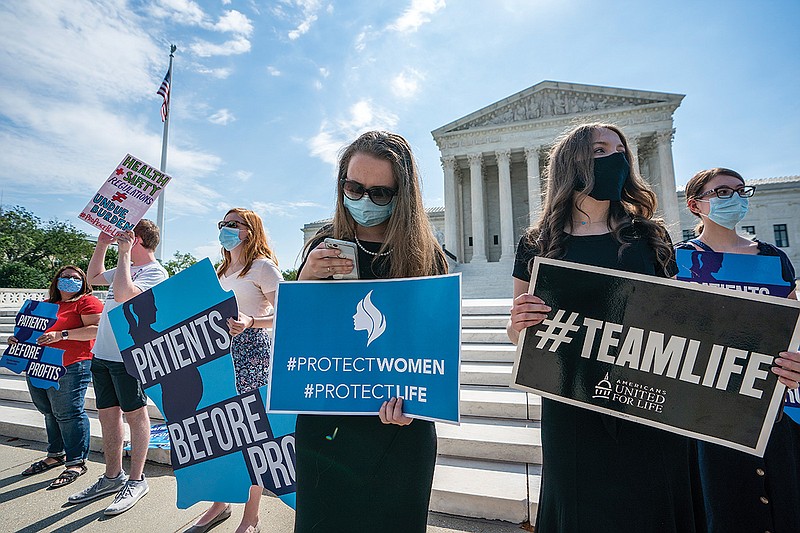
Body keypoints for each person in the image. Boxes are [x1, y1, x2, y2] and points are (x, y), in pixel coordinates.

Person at [507, 123, 705, 531]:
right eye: (600, 150)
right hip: (571, 400)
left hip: (646, 396)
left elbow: (678, 318)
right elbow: (518, 332)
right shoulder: (537, 244)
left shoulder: (649, 236)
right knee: (581, 505)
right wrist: (520, 324)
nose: (615, 158)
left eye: (620, 150)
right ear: (572, 162)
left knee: (654, 500)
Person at [293, 130, 447, 532]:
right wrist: (305, 282)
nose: (364, 200)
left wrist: (418, 405)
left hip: (399, 430)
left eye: (380, 193)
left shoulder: (426, 257)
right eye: (354, 187)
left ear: (402, 195)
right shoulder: (324, 247)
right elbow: (299, 339)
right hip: (328, 423)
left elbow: (433, 349)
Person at [677, 167, 800, 532]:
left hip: (776, 399)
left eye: (739, 191)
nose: (735, 199)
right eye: (722, 193)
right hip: (711, 405)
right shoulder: (680, 259)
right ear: (695, 205)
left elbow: (793, 326)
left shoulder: (773, 258)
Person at [185, 208, 283, 533]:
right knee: (224, 432)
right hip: (220, 355)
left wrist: (251, 322)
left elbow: (290, 314)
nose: (225, 230)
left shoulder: (263, 268)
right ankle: (220, 503)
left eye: (233, 224)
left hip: (253, 352)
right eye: (222, 224)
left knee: (252, 434)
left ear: (249, 231)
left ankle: (251, 516)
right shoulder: (222, 270)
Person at [67, 219, 168, 515]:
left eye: (126, 235)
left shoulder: (155, 272)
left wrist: (123, 252)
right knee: (108, 416)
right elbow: (95, 276)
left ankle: (137, 480)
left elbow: (124, 295)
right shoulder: (125, 267)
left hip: (130, 356)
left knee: (136, 416)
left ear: (136, 239)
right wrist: (101, 244)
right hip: (103, 352)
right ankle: (112, 476)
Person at [10, 265, 102, 489]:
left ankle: (76, 462)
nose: (70, 280)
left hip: (71, 365)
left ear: (83, 282)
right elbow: (32, 333)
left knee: (68, 412)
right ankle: (56, 453)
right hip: (38, 364)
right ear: (56, 280)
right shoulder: (46, 306)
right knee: (48, 411)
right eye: (65, 276)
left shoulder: (87, 302)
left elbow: (97, 329)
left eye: (76, 277)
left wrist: (61, 335)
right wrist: (18, 342)